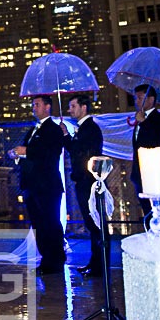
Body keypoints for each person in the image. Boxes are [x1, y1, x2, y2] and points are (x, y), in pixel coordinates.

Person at [12, 95, 66, 275]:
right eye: (33, 105)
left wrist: (27, 151)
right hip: (31, 184)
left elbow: (50, 154)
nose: (34, 108)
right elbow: (29, 153)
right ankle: (46, 259)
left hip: (47, 185)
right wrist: (18, 154)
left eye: (37, 104)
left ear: (48, 107)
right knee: (38, 224)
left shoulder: (53, 129)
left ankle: (55, 260)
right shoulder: (33, 130)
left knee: (50, 222)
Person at [60, 93, 106, 276]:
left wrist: (66, 136)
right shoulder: (84, 128)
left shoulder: (90, 128)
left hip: (88, 181)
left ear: (83, 107)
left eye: (73, 106)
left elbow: (79, 151)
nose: (70, 110)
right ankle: (95, 264)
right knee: (91, 224)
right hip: (84, 181)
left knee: (95, 223)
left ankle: (99, 266)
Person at [129, 84, 160, 216]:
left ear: (151, 99)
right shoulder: (139, 118)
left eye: (140, 98)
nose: (137, 101)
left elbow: (159, 142)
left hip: (155, 171)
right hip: (139, 172)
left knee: (156, 211)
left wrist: (144, 123)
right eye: (136, 98)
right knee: (146, 209)